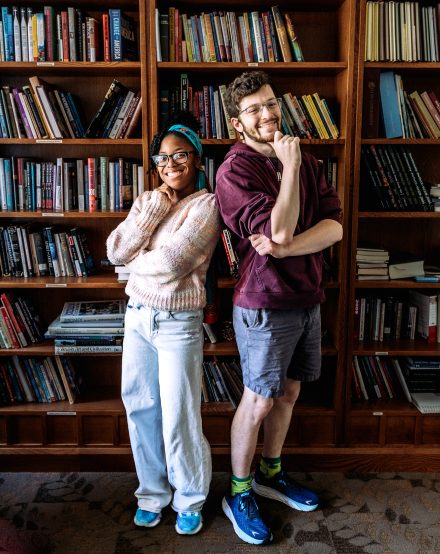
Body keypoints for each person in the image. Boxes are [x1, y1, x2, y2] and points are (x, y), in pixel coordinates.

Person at [215, 71, 343, 545]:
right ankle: (239, 491)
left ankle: (271, 472)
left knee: (288, 394)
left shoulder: (306, 161)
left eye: (271, 104)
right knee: (260, 398)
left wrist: (286, 250)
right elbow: (281, 227)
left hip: (307, 295)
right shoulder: (234, 170)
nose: (267, 115)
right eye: (254, 110)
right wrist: (289, 172)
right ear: (237, 123)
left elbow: (334, 229)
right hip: (263, 302)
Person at [106, 112, 220, 536]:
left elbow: (175, 263)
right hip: (136, 318)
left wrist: (134, 265)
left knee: (178, 416)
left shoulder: (207, 205)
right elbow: (116, 248)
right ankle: (152, 494)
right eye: (162, 158)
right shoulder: (148, 201)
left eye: (180, 155)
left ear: (198, 159)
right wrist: (152, 210)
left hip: (178, 323)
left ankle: (190, 497)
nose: (170, 164)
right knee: (140, 409)